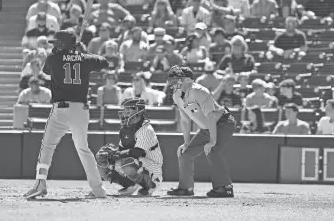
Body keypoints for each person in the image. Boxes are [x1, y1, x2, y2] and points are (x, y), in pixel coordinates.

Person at [23, 30, 112, 199]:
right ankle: (98, 190)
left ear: (63, 44)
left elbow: (47, 70)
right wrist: (82, 53)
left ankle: (41, 183)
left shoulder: (52, 59)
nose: (54, 46)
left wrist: (72, 54)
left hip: (61, 110)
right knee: (83, 149)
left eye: (57, 43)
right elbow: (105, 62)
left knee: (48, 146)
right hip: (81, 111)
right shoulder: (85, 58)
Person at [166, 65, 235, 198]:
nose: (173, 81)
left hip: (223, 123)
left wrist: (212, 141)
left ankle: (225, 187)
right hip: (206, 128)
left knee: (213, 150)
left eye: (177, 78)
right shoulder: (176, 95)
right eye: (172, 78)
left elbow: (211, 116)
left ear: (188, 80)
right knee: (185, 154)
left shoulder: (199, 91)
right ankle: (185, 188)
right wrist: (186, 143)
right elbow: (185, 119)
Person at [95, 98, 163, 196]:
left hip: (153, 168)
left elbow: (137, 152)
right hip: (137, 163)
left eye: (128, 110)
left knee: (128, 162)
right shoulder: (125, 129)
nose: (125, 113)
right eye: (124, 110)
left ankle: (151, 185)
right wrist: (112, 153)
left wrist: (117, 154)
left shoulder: (146, 129)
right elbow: (122, 149)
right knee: (103, 163)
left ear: (138, 111)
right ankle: (130, 185)